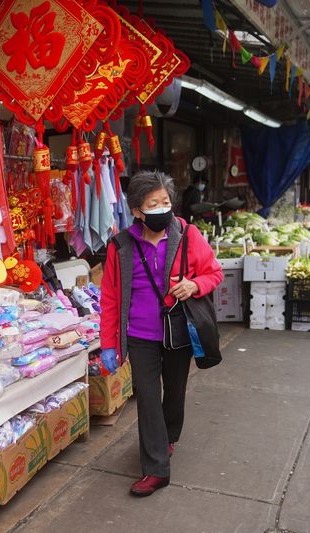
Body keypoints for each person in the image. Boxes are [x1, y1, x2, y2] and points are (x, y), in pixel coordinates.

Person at [99, 171, 223, 497]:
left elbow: (214, 272)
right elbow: (110, 297)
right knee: (148, 399)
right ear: (137, 211)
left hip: (178, 329)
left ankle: (168, 436)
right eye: (152, 204)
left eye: (165, 201)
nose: (161, 208)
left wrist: (194, 284)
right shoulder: (121, 245)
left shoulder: (186, 234)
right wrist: (109, 344)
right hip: (140, 336)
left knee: (175, 392)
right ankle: (155, 469)